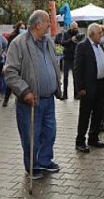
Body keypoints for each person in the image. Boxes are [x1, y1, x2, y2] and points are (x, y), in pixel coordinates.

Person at [4, 10, 62, 180]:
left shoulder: (48, 42)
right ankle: (32, 166)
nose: (49, 25)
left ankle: (45, 160)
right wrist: (25, 91)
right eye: (47, 21)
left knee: (49, 132)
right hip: (30, 101)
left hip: (49, 99)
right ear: (38, 24)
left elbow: (54, 64)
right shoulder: (19, 44)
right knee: (31, 136)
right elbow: (10, 72)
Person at [73, 23, 104, 153]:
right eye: (99, 33)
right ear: (91, 34)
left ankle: (93, 138)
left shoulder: (101, 46)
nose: (101, 35)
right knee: (85, 115)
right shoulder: (82, 46)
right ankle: (80, 141)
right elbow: (77, 68)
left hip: (100, 84)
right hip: (88, 86)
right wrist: (80, 87)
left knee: (98, 113)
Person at [2, 21, 27, 107]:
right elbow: (9, 48)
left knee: (21, 80)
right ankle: (6, 99)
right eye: (21, 28)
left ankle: (18, 97)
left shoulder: (27, 37)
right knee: (12, 80)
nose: (23, 30)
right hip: (14, 60)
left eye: (24, 28)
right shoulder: (13, 36)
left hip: (23, 61)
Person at [61, 22, 83, 100]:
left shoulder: (78, 33)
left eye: (76, 28)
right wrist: (71, 40)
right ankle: (65, 94)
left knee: (75, 77)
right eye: (73, 28)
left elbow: (81, 43)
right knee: (65, 77)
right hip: (66, 57)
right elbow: (62, 43)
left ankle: (76, 94)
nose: (75, 30)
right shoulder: (66, 34)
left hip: (75, 57)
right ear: (70, 27)